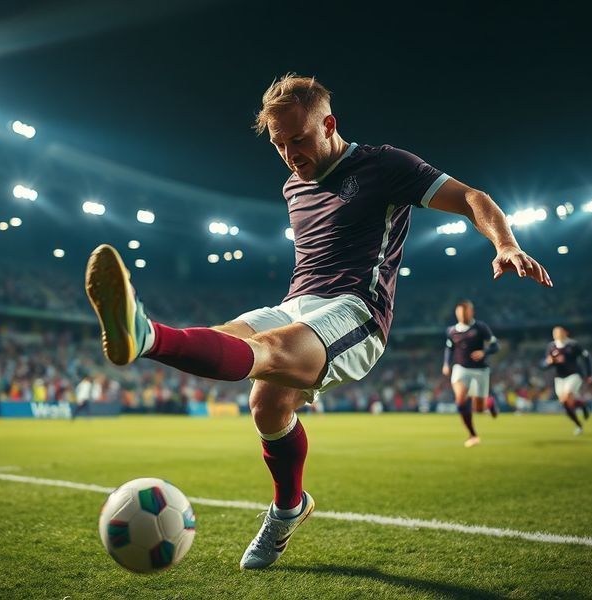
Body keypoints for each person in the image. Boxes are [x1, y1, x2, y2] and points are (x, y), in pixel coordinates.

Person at [84, 73, 552, 570]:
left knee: (268, 356)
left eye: (299, 140)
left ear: (329, 124)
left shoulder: (384, 165)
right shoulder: (293, 185)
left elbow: (471, 197)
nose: (289, 155)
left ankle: (147, 334)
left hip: (355, 311)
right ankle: (289, 509)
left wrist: (505, 244)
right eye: (279, 145)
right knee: (264, 403)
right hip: (294, 303)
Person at [442, 300, 500, 447]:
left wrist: (484, 352)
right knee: (460, 401)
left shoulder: (480, 327)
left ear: (471, 312)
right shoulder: (451, 331)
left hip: (480, 370)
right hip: (460, 369)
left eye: (464, 312)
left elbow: (495, 345)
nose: (462, 315)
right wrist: (446, 364)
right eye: (459, 312)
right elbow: (449, 348)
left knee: (479, 409)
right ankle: (473, 435)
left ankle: (490, 402)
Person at [541, 326, 592, 435]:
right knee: (566, 403)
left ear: (566, 333)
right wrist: (549, 362)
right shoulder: (551, 346)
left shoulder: (573, 345)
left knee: (566, 397)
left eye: (559, 332)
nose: (557, 335)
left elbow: (586, 357)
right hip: (559, 378)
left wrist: (589, 374)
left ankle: (579, 425)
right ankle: (581, 411)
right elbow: (544, 364)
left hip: (574, 375)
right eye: (555, 333)